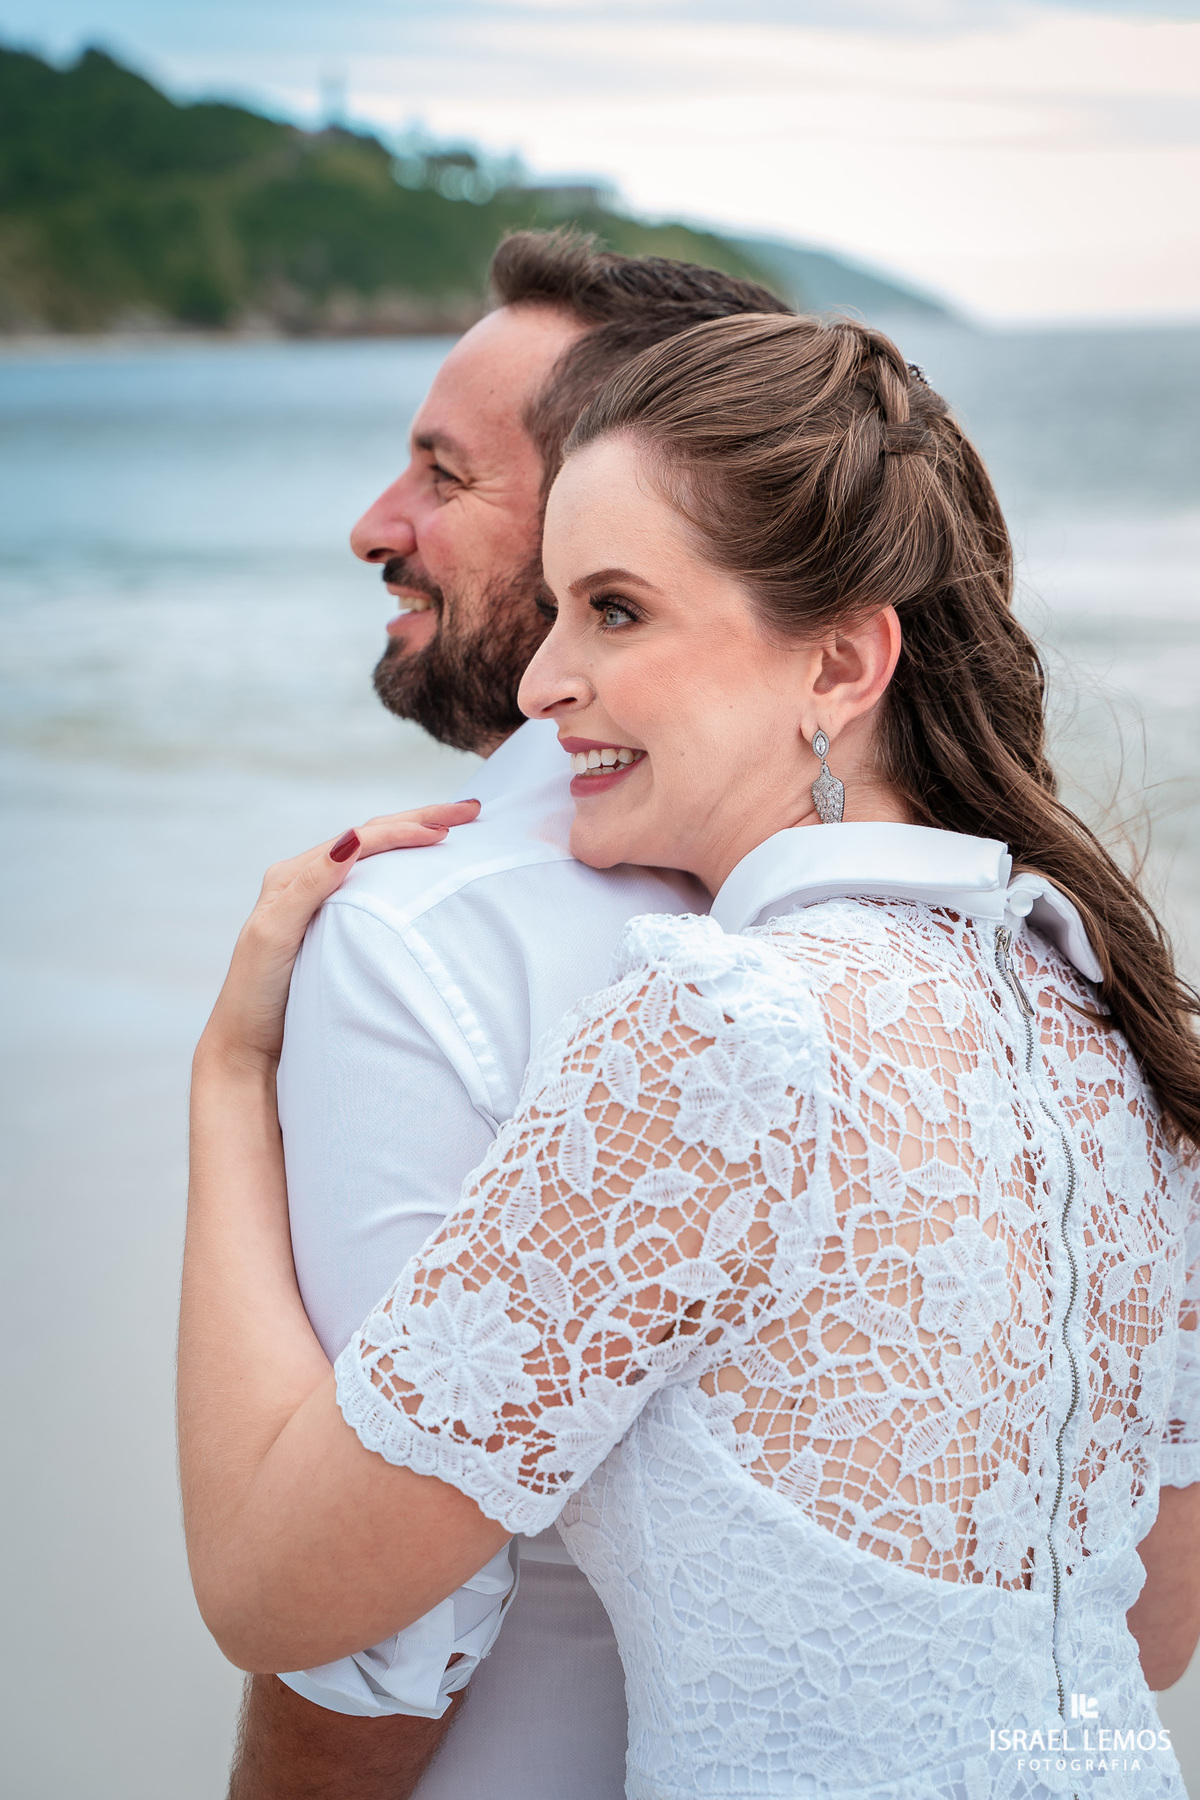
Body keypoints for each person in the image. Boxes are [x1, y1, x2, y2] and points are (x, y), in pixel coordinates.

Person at [181, 312, 1200, 1796]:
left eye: (615, 612)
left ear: (841, 662)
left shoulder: (725, 1035)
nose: (539, 684)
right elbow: (1154, 1626)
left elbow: (275, 1593)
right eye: (553, 609)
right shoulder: (1111, 1028)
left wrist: (228, 1082)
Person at [228, 231, 794, 1800]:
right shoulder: (1003, 947)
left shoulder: (417, 940)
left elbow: (369, 1636)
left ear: (621, 513)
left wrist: (228, 1070)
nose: (375, 525)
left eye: (443, 475)